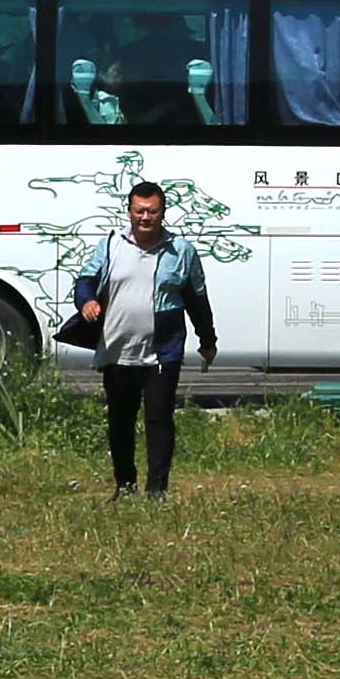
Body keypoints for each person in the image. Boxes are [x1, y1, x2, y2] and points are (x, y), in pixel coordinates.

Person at [68, 179, 196, 493]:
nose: (145, 217)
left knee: (159, 419)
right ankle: (125, 485)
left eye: (152, 211)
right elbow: (85, 281)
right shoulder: (111, 245)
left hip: (161, 352)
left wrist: (208, 339)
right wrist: (87, 302)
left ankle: (157, 490)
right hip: (118, 349)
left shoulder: (181, 251)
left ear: (163, 213)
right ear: (129, 211)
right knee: (120, 422)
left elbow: (196, 298)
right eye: (140, 211)